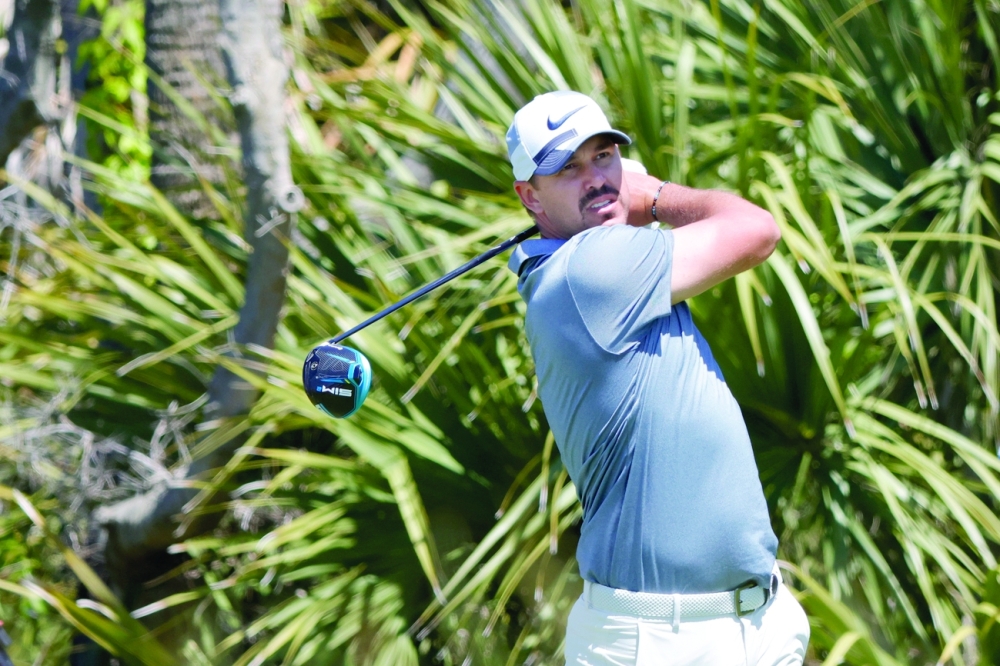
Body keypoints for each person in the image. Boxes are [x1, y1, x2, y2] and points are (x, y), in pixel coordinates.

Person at [505, 90, 810, 665]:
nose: (594, 178)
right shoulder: (591, 270)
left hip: (753, 626)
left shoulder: (593, 261)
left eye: (603, 156)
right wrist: (655, 195)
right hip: (663, 643)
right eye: (566, 168)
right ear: (530, 197)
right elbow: (757, 230)